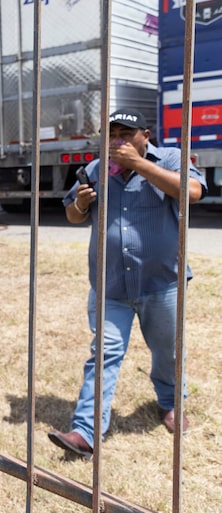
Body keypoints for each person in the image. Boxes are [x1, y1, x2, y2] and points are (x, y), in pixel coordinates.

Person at [48, 108, 207, 460]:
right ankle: (86, 432)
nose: (117, 141)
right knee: (103, 355)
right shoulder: (94, 169)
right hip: (111, 286)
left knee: (167, 353)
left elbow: (193, 192)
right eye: (112, 134)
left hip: (161, 282)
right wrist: (79, 203)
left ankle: (169, 403)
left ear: (145, 136)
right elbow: (73, 216)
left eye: (126, 133)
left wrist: (139, 165)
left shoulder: (168, 158)